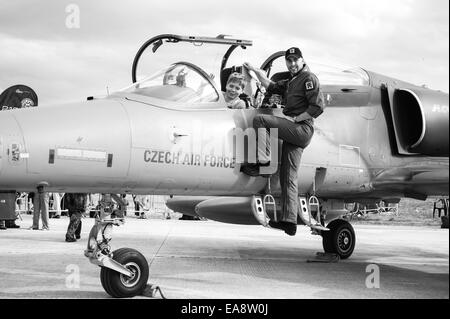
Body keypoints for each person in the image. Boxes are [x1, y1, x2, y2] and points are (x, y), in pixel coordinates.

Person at [242, 47, 325, 236]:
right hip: (294, 132)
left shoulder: (309, 79)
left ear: (302, 60)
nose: (292, 63)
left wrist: (299, 118)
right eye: (289, 60)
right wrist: (255, 71)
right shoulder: (291, 81)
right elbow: (270, 85)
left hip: (302, 128)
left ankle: (263, 162)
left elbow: (318, 107)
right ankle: (289, 222)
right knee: (288, 177)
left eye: (296, 60)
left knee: (260, 120)